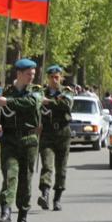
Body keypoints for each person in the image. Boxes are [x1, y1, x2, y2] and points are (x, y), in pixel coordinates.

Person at [0, 59, 42, 222]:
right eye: (28, 74)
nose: (31, 77)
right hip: (10, 141)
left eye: (33, 74)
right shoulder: (5, 92)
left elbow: (31, 104)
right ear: (19, 74)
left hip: (28, 141)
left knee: (25, 179)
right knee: (9, 175)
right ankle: (6, 215)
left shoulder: (35, 91)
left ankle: (23, 216)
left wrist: (8, 102)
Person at [37, 65, 73, 212]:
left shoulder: (67, 92)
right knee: (47, 165)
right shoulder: (40, 93)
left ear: (61, 77)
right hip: (47, 133)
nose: (54, 80)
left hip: (63, 133)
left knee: (61, 167)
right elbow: (34, 107)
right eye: (51, 77)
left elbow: (66, 105)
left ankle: (57, 198)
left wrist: (49, 102)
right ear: (47, 78)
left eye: (56, 77)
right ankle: (44, 194)